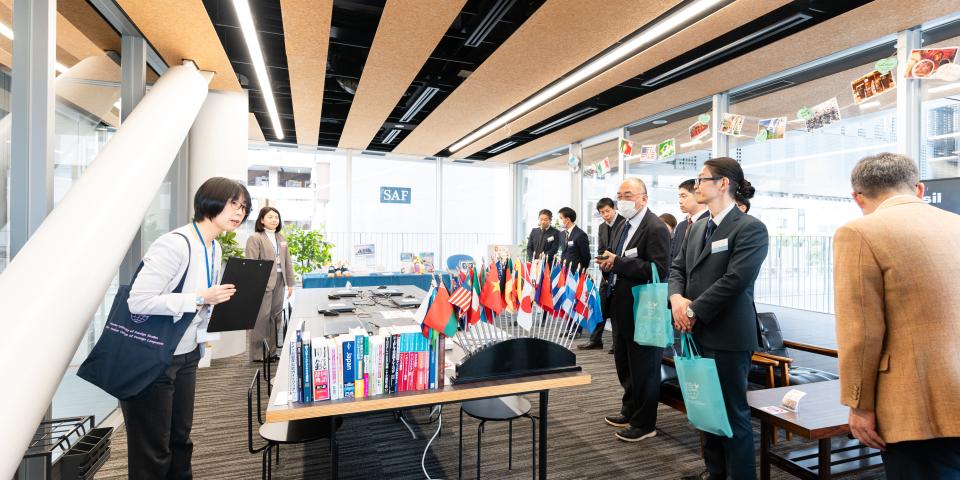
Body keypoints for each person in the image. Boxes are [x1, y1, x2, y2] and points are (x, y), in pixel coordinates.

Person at [834, 153, 960, 479]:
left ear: (858, 198)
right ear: (918, 189)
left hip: (915, 403)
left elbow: (860, 330)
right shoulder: (956, 224)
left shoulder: (859, 232)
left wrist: (859, 404)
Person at [123, 177, 250, 479]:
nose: (239, 212)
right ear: (209, 202)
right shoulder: (174, 244)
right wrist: (198, 298)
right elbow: (137, 302)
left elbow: (203, 301)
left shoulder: (214, 248)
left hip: (186, 353)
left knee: (180, 439)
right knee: (152, 449)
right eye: (233, 204)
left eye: (243, 207)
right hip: (152, 357)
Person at [668, 158, 767, 480]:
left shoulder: (749, 228)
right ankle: (715, 472)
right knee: (704, 411)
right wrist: (676, 299)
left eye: (702, 179)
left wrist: (692, 310)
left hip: (727, 336)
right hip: (694, 333)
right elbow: (677, 268)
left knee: (731, 413)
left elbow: (735, 280)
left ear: (723, 183)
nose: (696, 186)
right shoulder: (696, 227)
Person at [596, 178, 670, 442]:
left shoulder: (655, 227)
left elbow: (659, 271)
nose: (622, 199)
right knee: (625, 364)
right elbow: (619, 259)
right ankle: (629, 409)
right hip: (621, 305)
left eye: (628, 194)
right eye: (619, 194)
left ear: (644, 198)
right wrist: (610, 263)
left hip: (644, 308)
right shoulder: (622, 225)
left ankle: (645, 422)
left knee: (644, 367)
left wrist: (620, 263)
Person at [245, 206, 295, 362]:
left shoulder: (281, 238)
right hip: (262, 283)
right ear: (261, 220)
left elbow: (287, 262)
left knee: (275, 318)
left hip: (280, 282)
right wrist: (254, 286)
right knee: (261, 319)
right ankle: (259, 354)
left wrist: (290, 283)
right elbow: (251, 264)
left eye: (276, 217)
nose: (274, 220)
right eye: (270, 217)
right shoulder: (255, 238)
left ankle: (272, 352)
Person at [578, 197, 624, 352]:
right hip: (606, 273)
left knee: (617, 311)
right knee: (601, 306)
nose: (605, 215)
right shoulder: (602, 227)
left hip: (620, 272)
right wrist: (602, 263)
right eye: (602, 212)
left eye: (607, 211)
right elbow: (601, 249)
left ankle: (617, 345)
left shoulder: (624, 223)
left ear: (614, 209)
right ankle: (595, 340)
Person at [670, 179, 708, 262]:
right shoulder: (681, 226)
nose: (680, 201)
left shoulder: (710, 223)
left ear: (698, 194)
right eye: (679, 197)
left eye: (684, 196)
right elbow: (673, 256)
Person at [558, 206, 590, 271]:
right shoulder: (561, 234)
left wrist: (581, 271)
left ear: (567, 220)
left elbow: (586, 257)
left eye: (561, 218)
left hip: (575, 273)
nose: (559, 221)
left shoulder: (580, 234)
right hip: (563, 271)